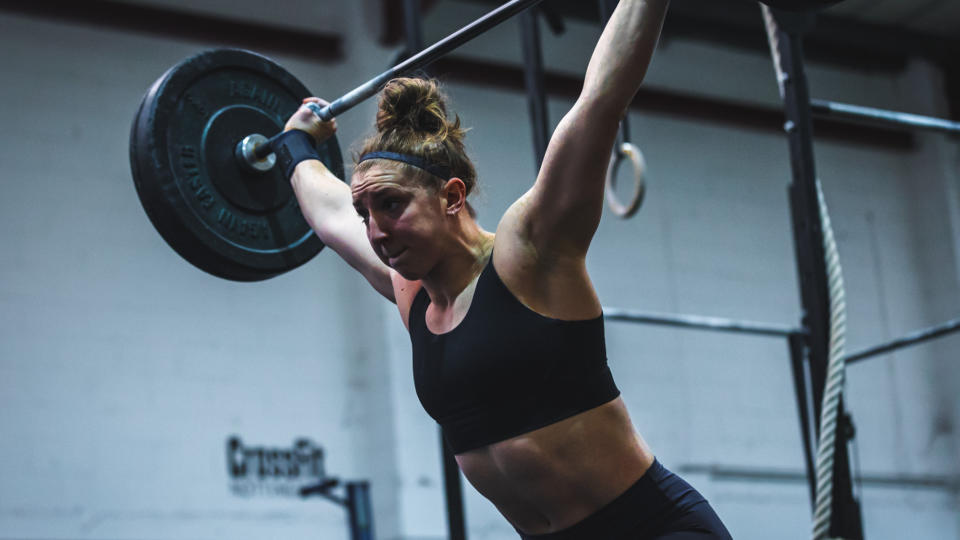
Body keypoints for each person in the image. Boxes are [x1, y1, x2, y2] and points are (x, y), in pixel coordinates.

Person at [276, 0, 731, 538]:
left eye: (391, 206)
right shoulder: (413, 294)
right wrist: (294, 144)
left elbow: (600, 101)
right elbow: (328, 215)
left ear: (451, 196)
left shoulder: (529, 251)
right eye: (365, 214)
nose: (376, 232)